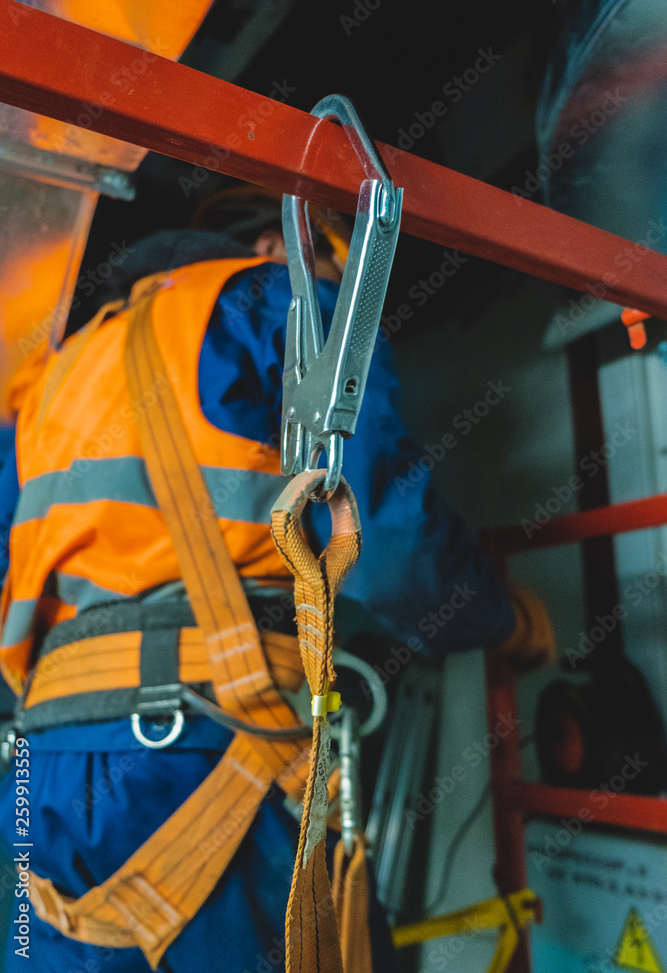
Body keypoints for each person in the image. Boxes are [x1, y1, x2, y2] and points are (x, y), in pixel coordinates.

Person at [0, 185, 543, 973]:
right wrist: (499, 618)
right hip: (197, 746)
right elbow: (387, 550)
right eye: (328, 262)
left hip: (38, 774)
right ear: (275, 242)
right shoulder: (273, 305)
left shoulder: (50, 381)